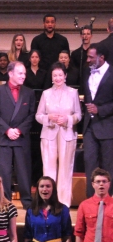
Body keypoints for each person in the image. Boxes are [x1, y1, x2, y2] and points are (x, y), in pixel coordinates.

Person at [0, 61, 36, 208]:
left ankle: (27, 203)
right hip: (3, 137)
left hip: (21, 138)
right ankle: (4, 202)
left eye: (24, 73)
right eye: (20, 73)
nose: (24, 76)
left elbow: (31, 115)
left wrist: (19, 130)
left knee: (24, 172)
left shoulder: (29, 92)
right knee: (4, 172)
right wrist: (7, 130)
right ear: (10, 74)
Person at [35, 62, 81, 207]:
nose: (58, 78)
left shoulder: (73, 92)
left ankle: (64, 204)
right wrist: (49, 118)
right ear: (51, 77)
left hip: (67, 134)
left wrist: (67, 119)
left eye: (60, 75)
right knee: (49, 169)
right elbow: (38, 115)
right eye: (55, 75)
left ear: (65, 76)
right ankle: (48, 203)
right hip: (49, 134)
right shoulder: (46, 93)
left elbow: (78, 115)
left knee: (65, 170)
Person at [24, 176, 72, 242]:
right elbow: (27, 237)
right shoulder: (31, 210)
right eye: (42, 186)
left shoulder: (63, 210)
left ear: (53, 189)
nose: (45, 189)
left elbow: (67, 237)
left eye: (48, 186)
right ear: (38, 190)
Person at [83, 44, 113, 196]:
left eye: (91, 57)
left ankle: (109, 202)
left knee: (108, 167)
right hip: (90, 127)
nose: (88, 60)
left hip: (108, 127)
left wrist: (100, 110)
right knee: (90, 166)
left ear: (101, 57)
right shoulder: (88, 73)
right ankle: (91, 201)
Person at [75, 168, 113, 242]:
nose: (101, 184)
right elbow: (79, 234)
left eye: (104, 181)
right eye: (98, 182)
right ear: (93, 184)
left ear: (109, 184)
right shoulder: (84, 205)